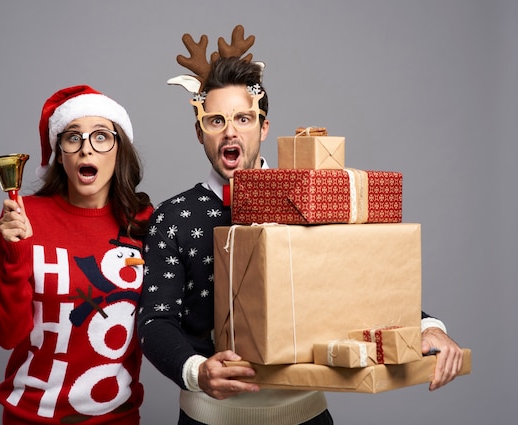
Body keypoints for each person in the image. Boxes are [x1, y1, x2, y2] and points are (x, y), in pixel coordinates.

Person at [136, 27, 464, 425]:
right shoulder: (173, 218)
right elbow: (156, 320)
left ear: (264, 128)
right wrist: (195, 371)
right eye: (216, 120)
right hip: (210, 418)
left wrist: (427, 326)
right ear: (199, 132)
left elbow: (361, 278)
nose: (230, 131)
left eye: (243, 118)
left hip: (305, 416)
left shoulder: (308, 197)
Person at [0, 85, 153, 425]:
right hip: (29, 416)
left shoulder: (144, 223)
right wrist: (17, 255)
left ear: (120, 150)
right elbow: (5, 334)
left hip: (115, 418)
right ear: (60, 154)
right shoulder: (22, 216)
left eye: (101, 137)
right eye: (73, 138)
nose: (86, 149)